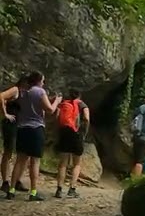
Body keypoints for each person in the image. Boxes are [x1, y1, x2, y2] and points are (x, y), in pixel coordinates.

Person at [7, 72, 62, 201]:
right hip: (36, 129)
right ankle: (33, 192)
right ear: (39, 81)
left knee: (20, 160)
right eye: (43, 80)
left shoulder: (23, 92)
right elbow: (50, 110)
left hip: (22, 128)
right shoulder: (40, 91)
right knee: (35, 161)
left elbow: (34, 104)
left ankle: (11, 190)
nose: (43, 82)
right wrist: (57, 101)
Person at [54, 88, 89, 198]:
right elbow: (87, 118)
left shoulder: (64, 104)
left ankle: (59, 189)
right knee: (77, 163)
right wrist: (84, 132)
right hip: (77, 135)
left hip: (64, 134)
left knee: (62, 163)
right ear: (79, 96)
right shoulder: (82, 104)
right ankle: (72, 189)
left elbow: (57, 117)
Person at [1, 75, 26, 193]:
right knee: (8, 151)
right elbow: (1, 96)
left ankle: (17, 181)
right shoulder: (16, 90)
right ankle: (5, 181)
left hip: (19, 125)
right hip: (10, 123)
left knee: (21, 153)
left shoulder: (24, 93)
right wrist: (5, 114)